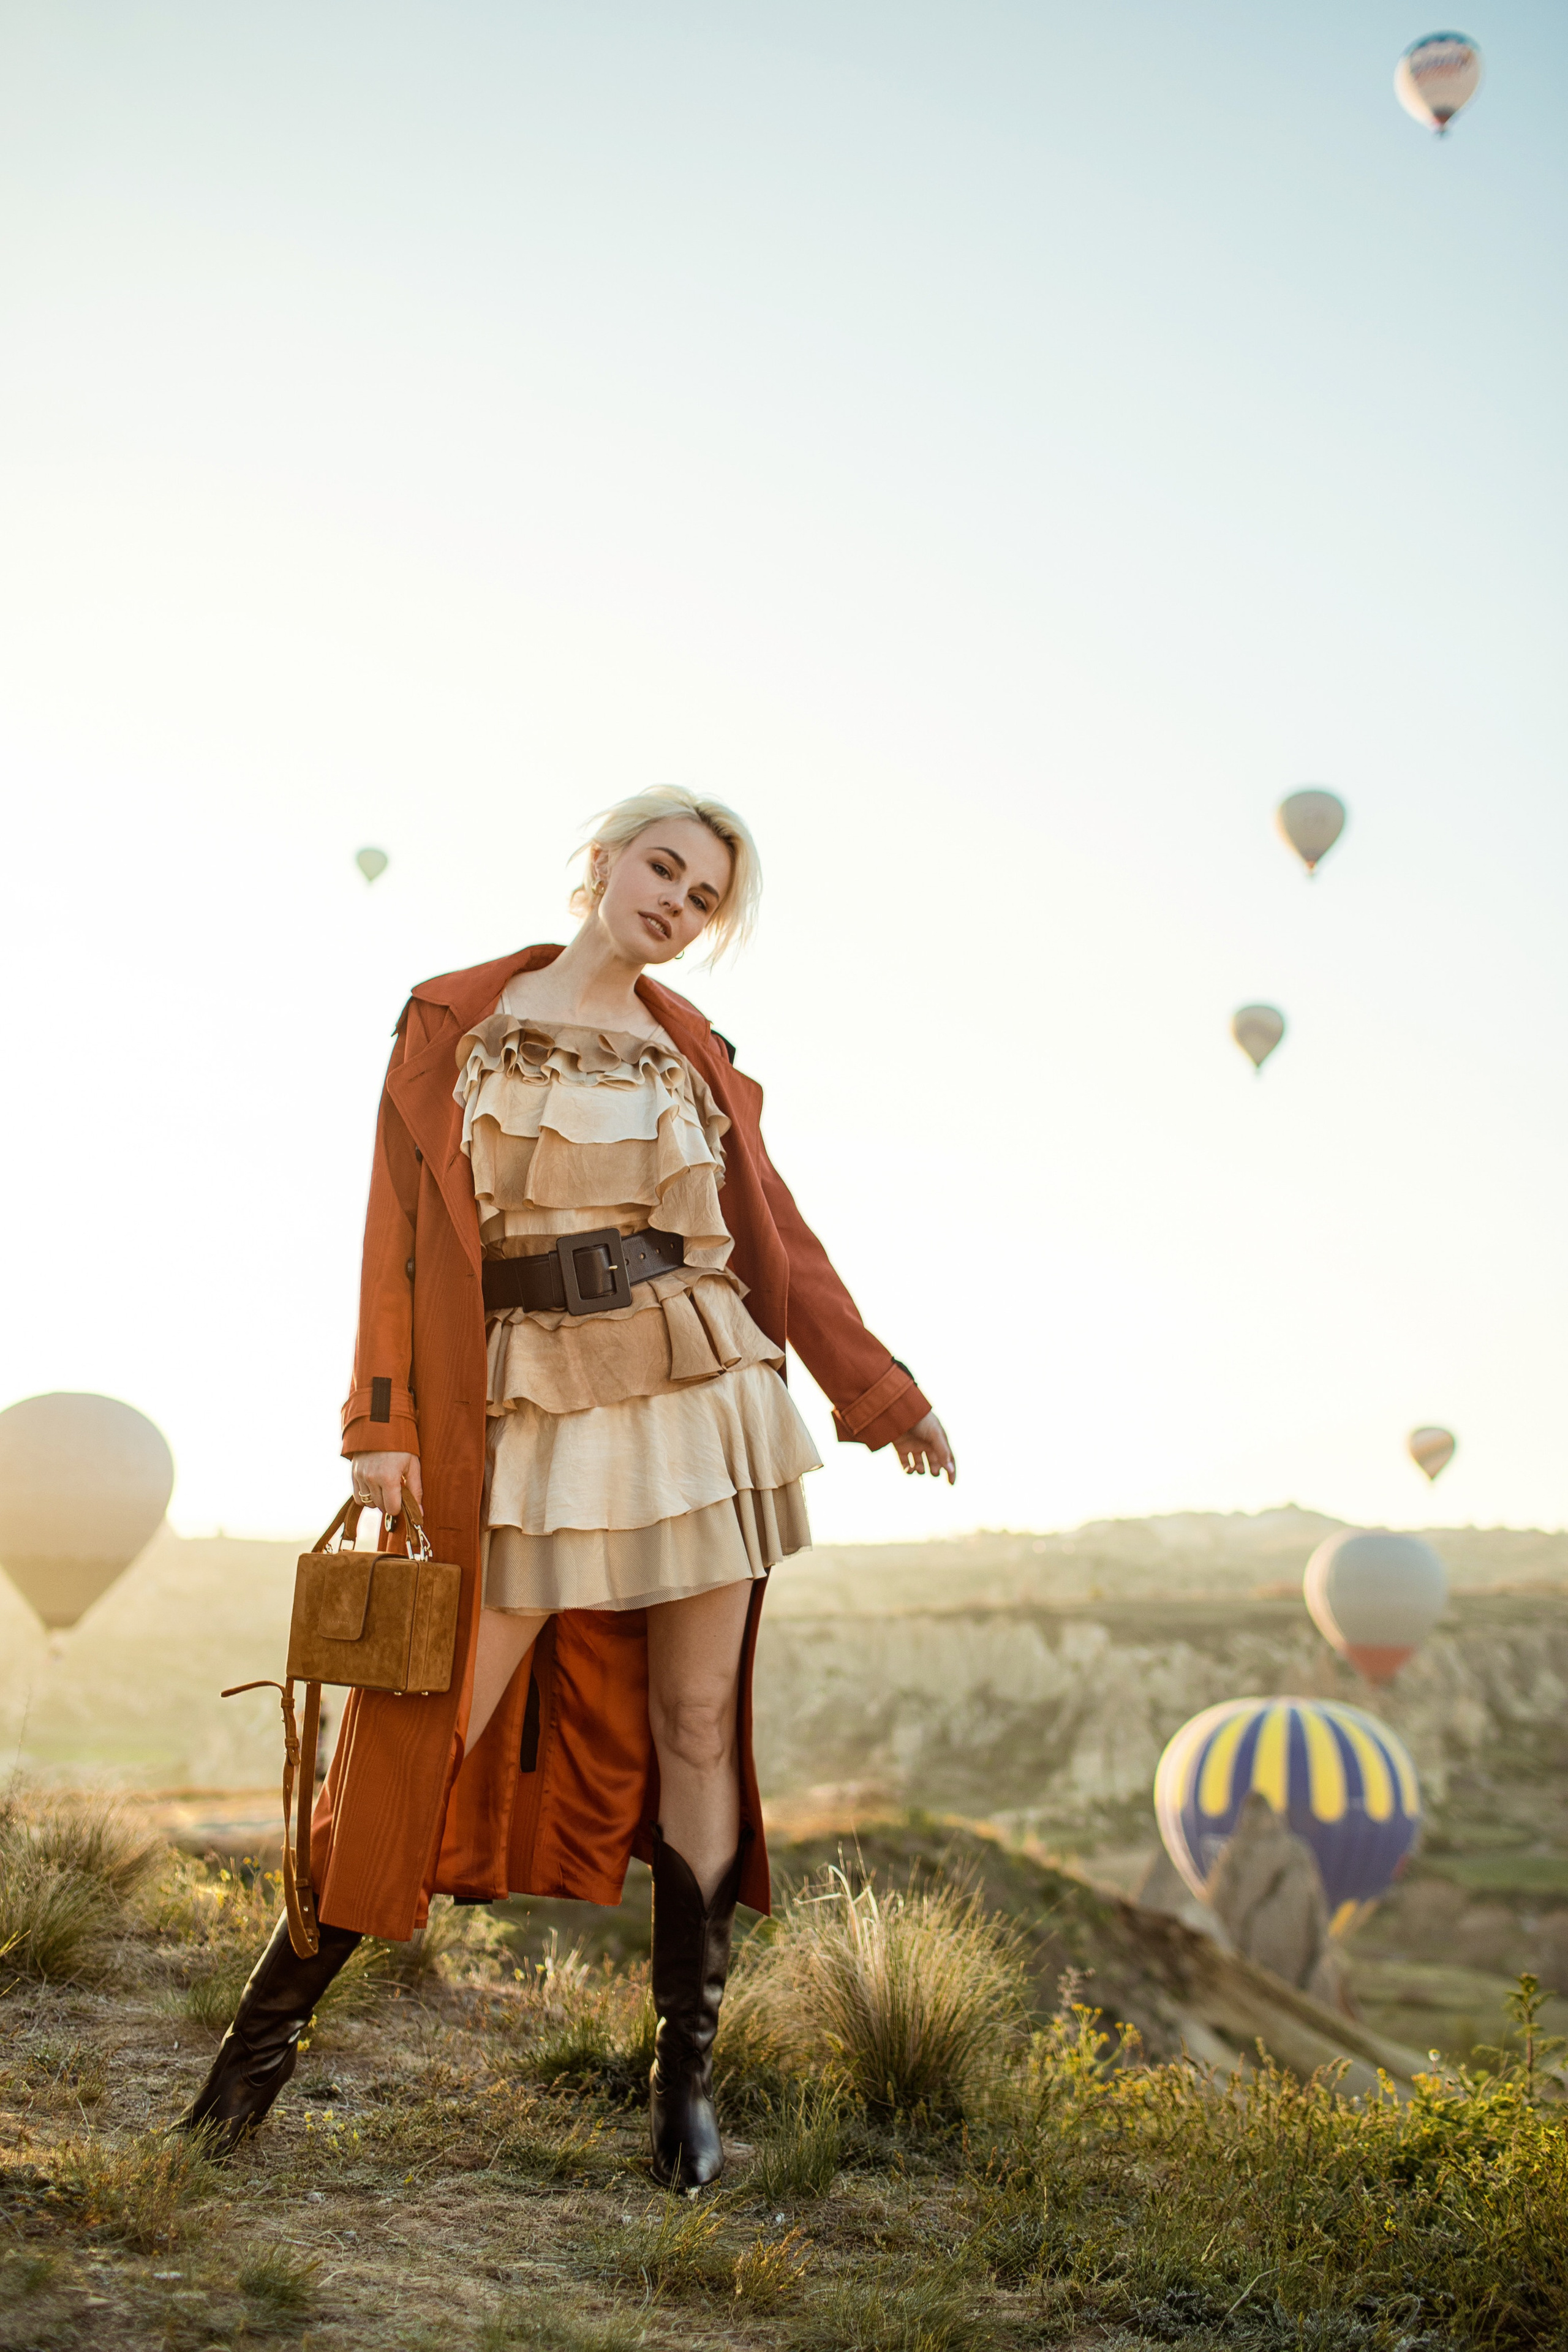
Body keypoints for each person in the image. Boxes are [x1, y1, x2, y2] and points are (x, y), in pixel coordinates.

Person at [183, 786, 955, 2187]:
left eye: (704, 898)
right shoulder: (452, 1021)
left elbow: (777, 1236)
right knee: (429, 1719)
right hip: (525, 1394)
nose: (675, 902)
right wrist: (379, 1418)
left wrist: (877, 1391)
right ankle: (250, 2063)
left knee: (699, 1722)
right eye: (662, 868)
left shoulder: (692, 1054)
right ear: (600, 860)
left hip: (701, 1383)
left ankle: (684, 2088)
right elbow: (397, 1237)